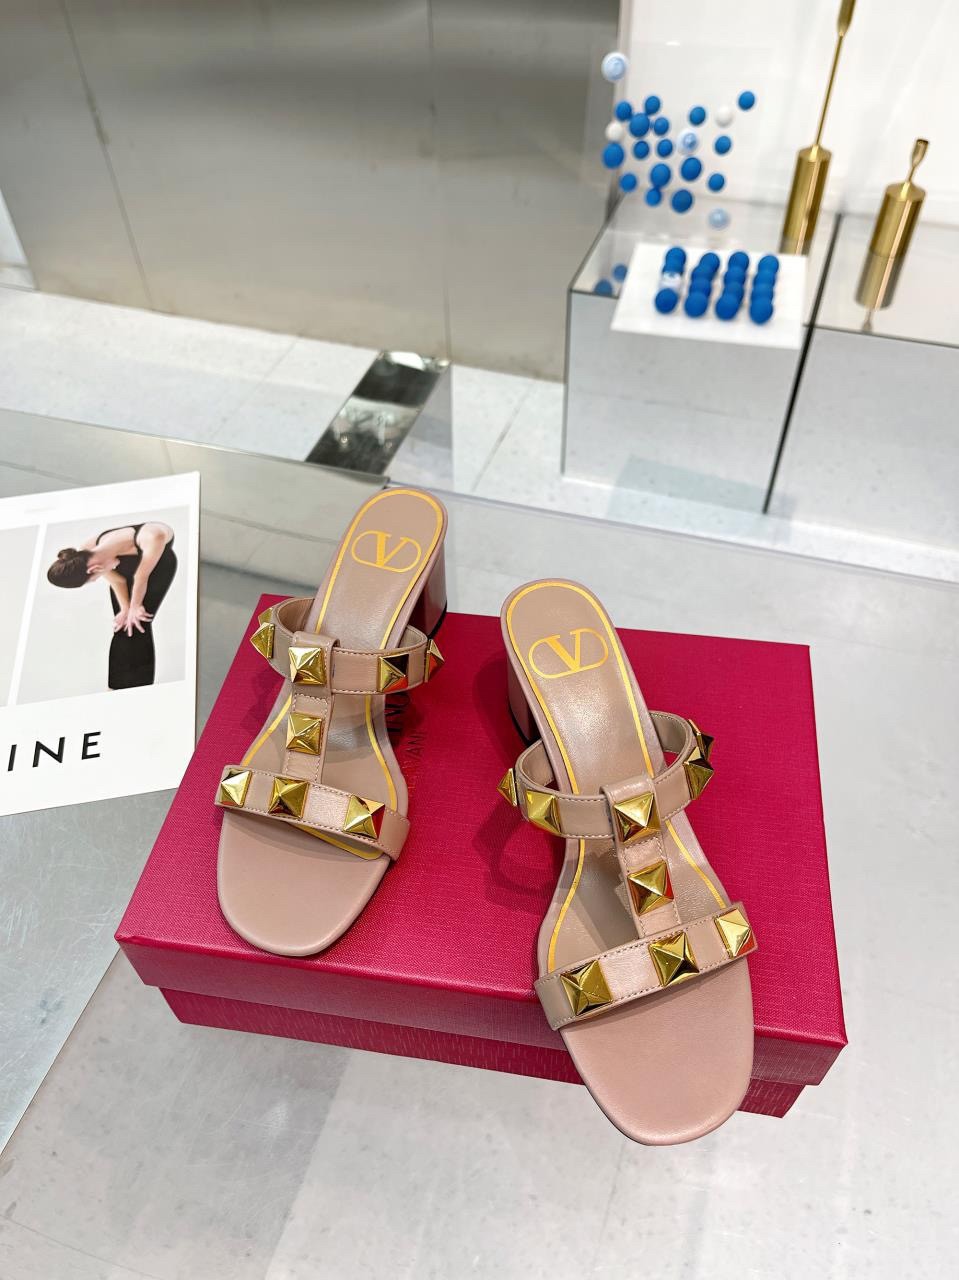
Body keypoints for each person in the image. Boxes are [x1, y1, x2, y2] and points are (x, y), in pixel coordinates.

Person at [46, 521, 177, 689]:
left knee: (138, 625)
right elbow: (117, 580)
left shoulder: (152, 536)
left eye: (93, 580)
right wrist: (125, 609)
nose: (95, 581)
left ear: (94, 569)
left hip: (157, 569)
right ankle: (116, 687)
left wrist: (135, 607)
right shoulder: (84, 555)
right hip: (125, 573)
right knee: (122, 626)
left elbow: (141, 577)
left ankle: (142, 687)